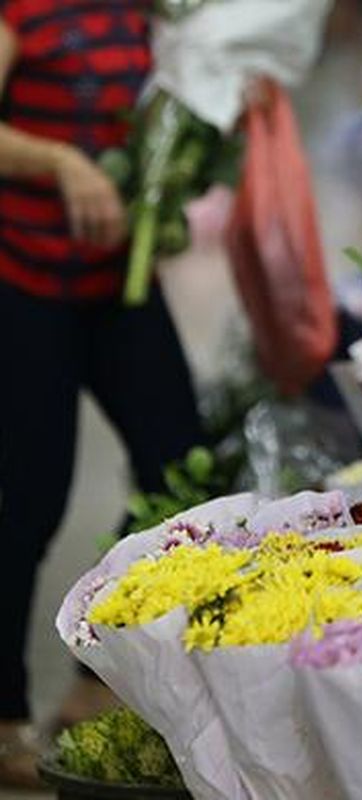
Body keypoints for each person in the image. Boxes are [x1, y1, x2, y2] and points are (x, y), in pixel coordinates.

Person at [0, 1, 203, 787]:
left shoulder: (138, 8)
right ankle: (6, 714)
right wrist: (62, 163)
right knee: (30, 498)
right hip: (25, 282)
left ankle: (95, 681)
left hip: (118, 281)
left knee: (180, 464)